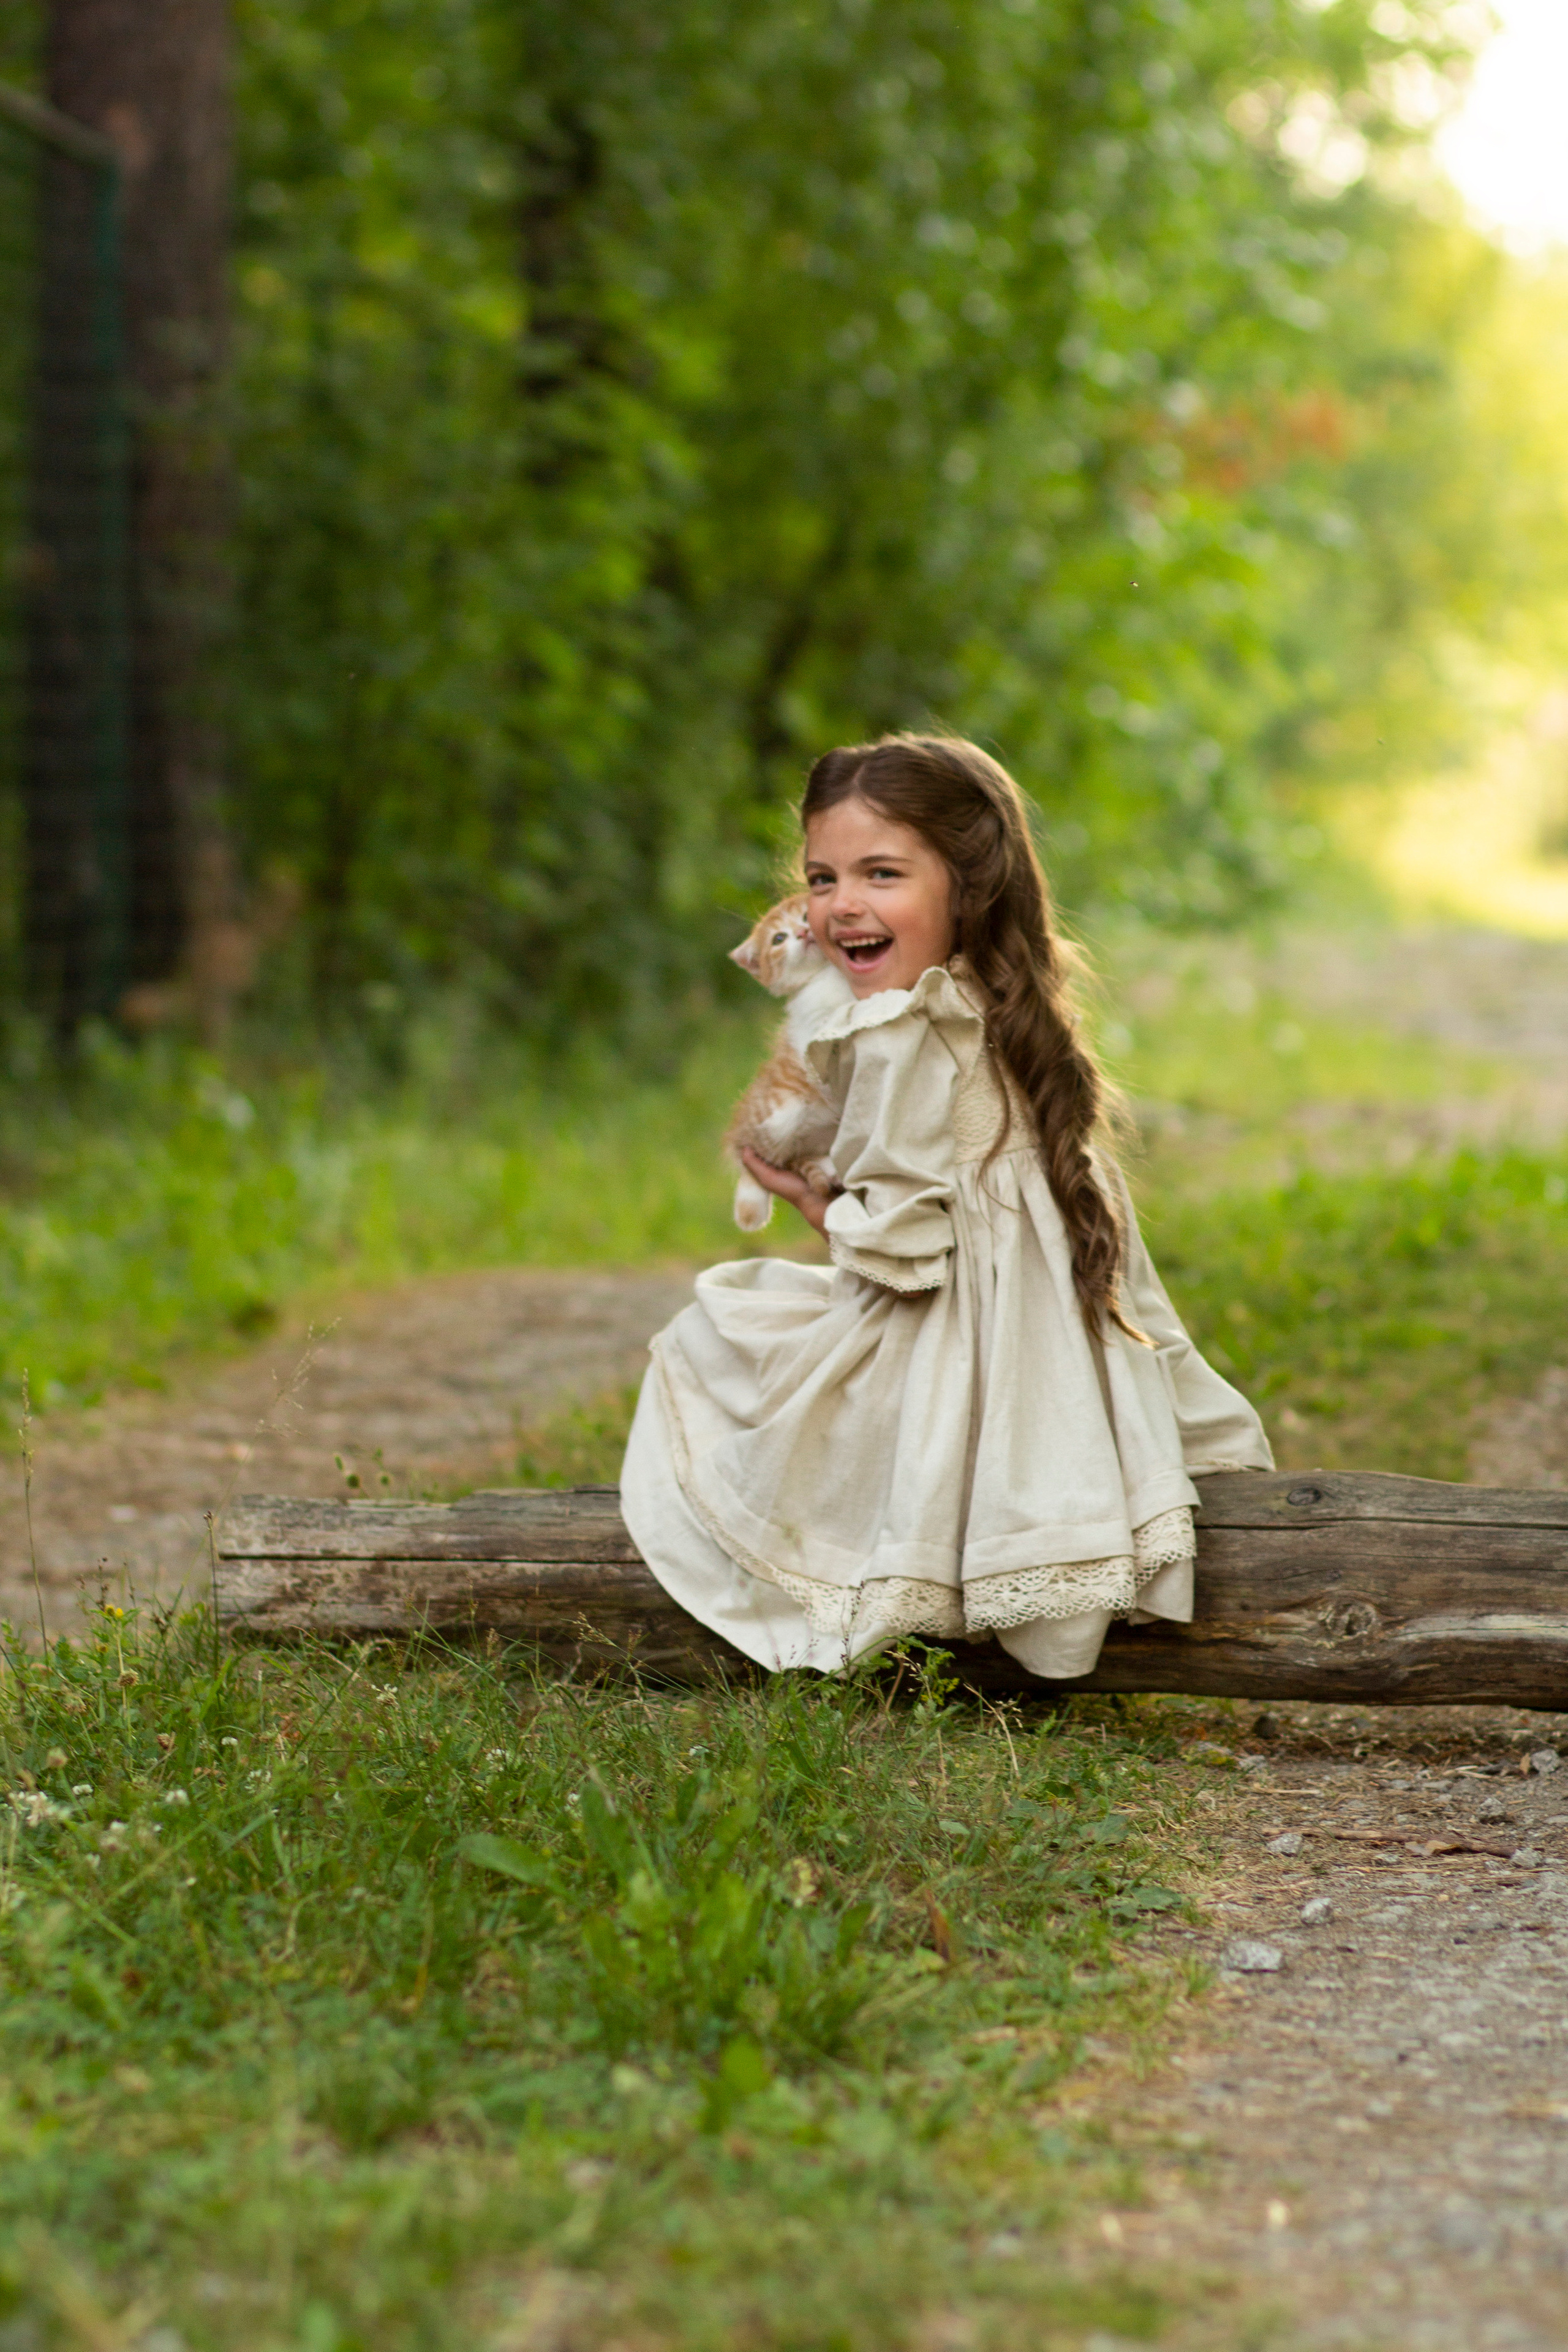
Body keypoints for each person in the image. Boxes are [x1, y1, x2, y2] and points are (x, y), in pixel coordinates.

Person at [620, 733, 1272, 1679]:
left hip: (956, 1337)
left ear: (969, 884)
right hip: (1030, 1342)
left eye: (883, 873)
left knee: (717, 1339)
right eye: (823, 876)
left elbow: (900, 1249)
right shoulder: (990, 1007)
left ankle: (916, 1577)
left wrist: (822, 1208)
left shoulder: (893, 1028)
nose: (843, 904)